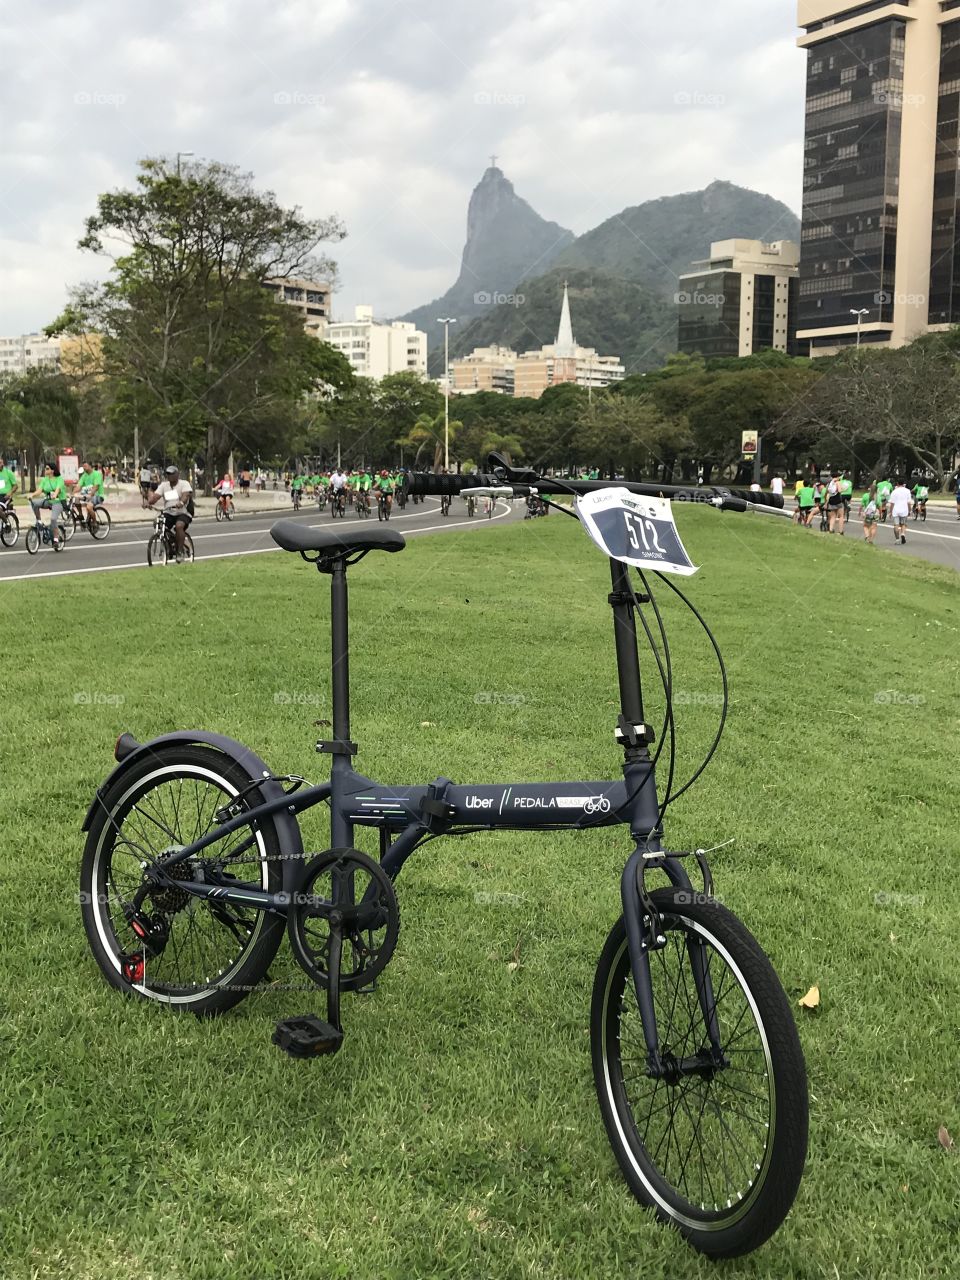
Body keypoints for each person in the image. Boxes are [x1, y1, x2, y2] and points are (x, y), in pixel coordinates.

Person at [147, 464, 193, 560]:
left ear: (177, 474)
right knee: (157, 522)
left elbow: (186, 495)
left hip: (183, 512)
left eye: (172, 474)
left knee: (179, 526)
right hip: (169, 512)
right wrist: (149, 503)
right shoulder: (164, 485)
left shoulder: (184, 484)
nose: (170, 476)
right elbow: (155, 497)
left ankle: (180, 551)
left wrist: (181, 502)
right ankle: (168, 544)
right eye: (168, 474)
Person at [30, 462, 67, 543]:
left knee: (53, 519)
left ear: (52, 471)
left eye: (47, 469)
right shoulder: (45, 479)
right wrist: (32, 495)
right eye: (45, 468)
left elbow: (58, 489)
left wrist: (55, 494)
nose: (45, 470)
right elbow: (40, 490)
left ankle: (56, 538)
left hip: (58, 502)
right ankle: (39, 521)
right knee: (34, 503)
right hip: (48, 501)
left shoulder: (59, 479)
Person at [76, 460, 105, 528]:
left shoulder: (97, 474)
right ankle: (81, 515)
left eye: (85, 466)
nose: (84, 468)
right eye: (83, 467)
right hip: (87, 495)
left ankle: (95, 523)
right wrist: (73, 493)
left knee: (89, 507)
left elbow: (96, 487)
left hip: (98, 496)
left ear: (90, 466)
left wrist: (90, 495)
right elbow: (78, 486)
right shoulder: (84, 476)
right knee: (76, 499)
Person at [888, 478, 912, 545]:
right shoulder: (907, 491)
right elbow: (909, 502)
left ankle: (897, 539)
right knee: (903, 524)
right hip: (904, 510)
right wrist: (910, 510)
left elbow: (892, 503)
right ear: (903, 484)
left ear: (897, 484)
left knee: (896, 525)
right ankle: (903, 534)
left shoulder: (894, 491)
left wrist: (890, 511)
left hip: (896, 510)